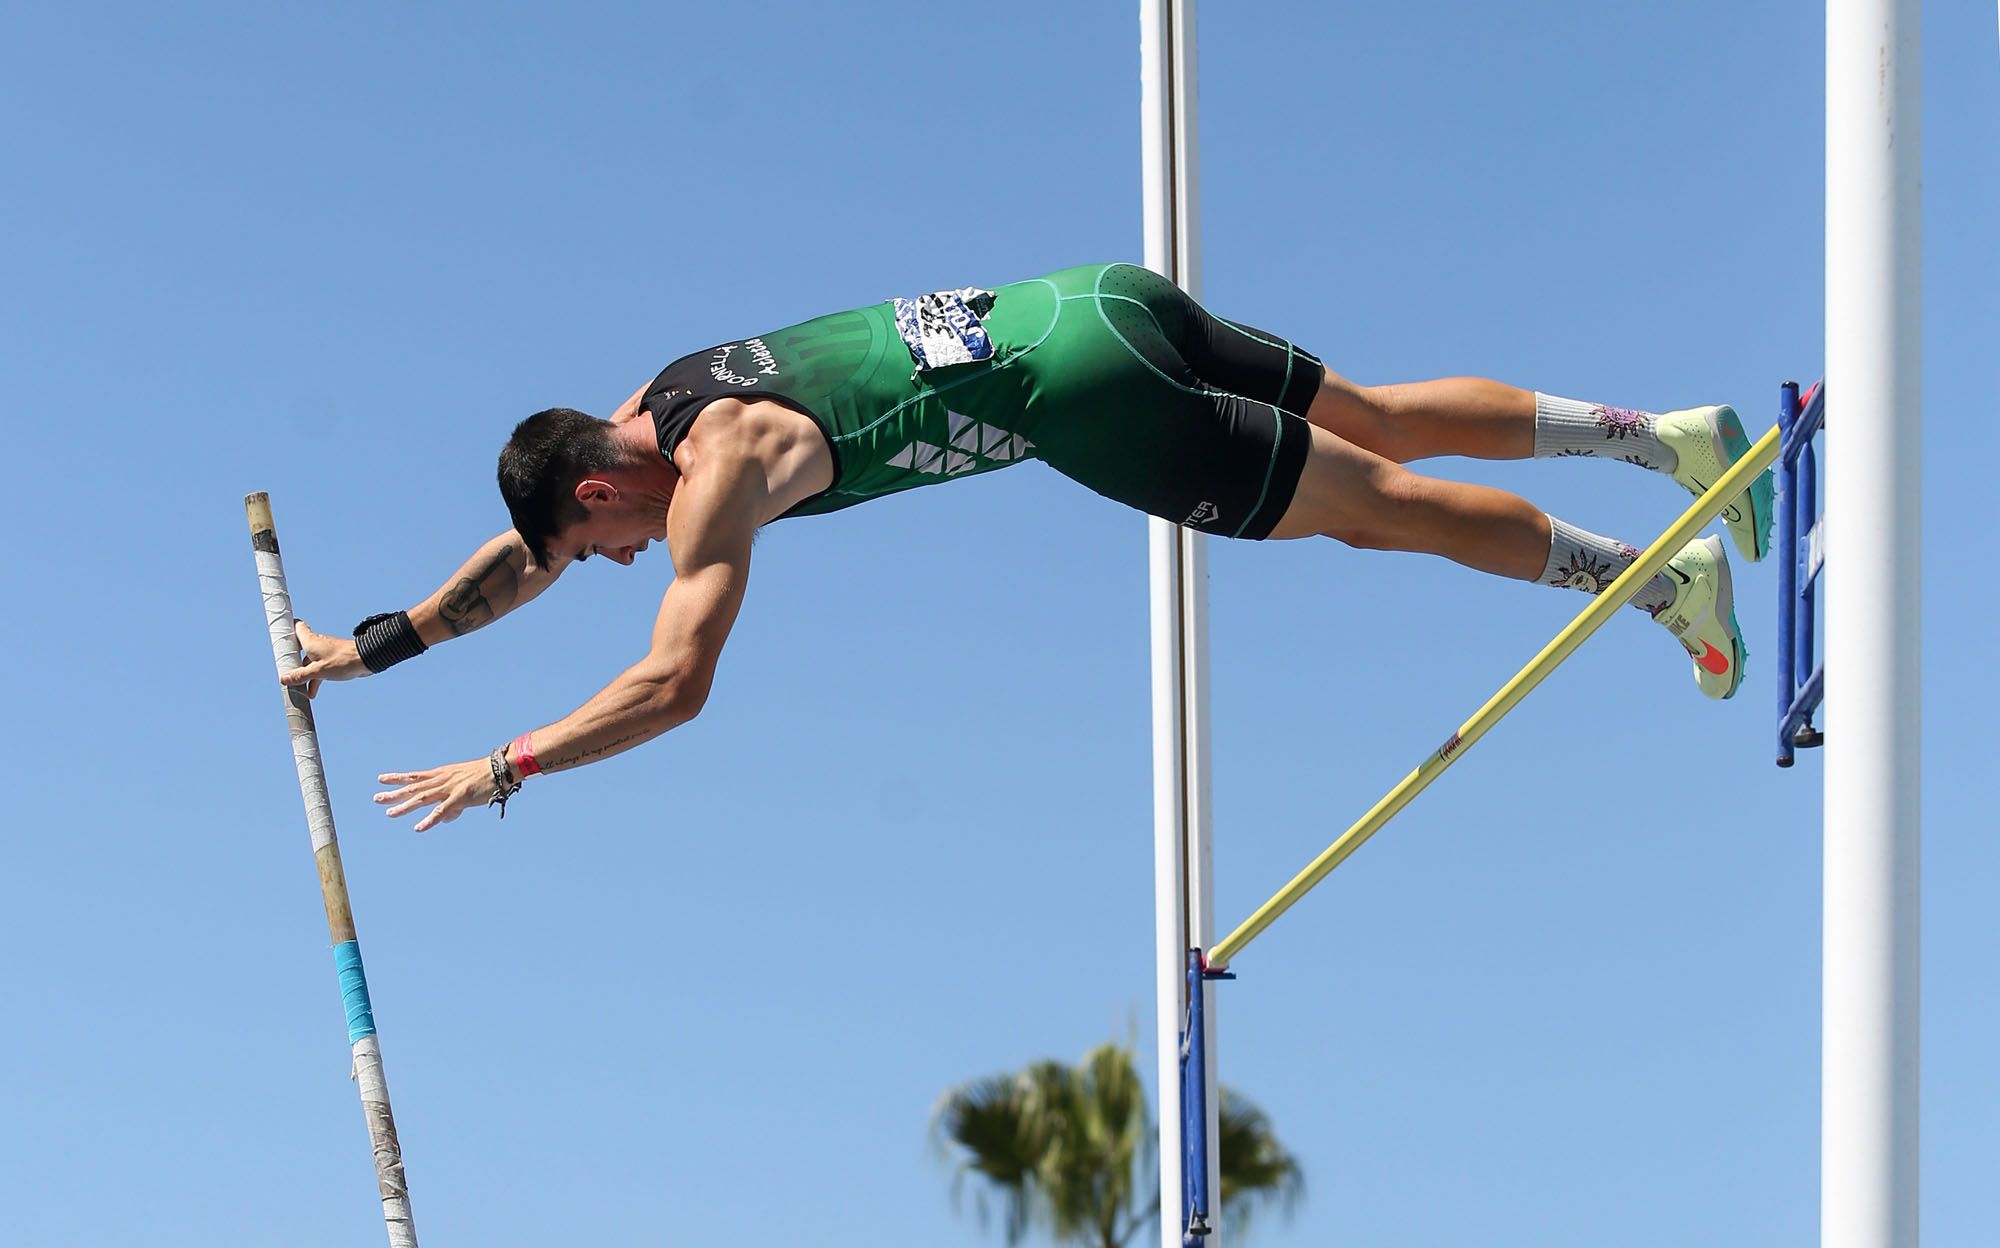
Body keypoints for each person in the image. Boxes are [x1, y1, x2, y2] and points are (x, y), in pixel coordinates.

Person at [281, 262, 1773, 833]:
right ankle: (1667, 437)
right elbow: (519, 557)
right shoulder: (654, 405)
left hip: (1090, 403)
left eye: (596, 549)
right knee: (1378, 411)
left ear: (610, 496)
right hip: (1096, 301)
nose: (598, 566)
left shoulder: (720, 477)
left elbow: (676, 685)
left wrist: (507, 764)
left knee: (1372, 508)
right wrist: (369, 650)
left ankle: (1662, 581)